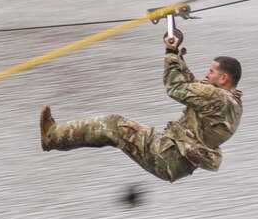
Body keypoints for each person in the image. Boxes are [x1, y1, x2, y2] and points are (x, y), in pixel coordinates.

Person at [40, 34, 243, 182]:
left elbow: (176, 88)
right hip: (175, 159)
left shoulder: (216, 96)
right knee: (113, 134)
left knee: (114, 125)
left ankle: (52, 137)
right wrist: (176, 55)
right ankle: (56, 138)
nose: (207, 75)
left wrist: (170, 53)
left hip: (167, 156)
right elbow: (193, 88)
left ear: (224, 78)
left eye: (211, 71)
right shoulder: (231, 102)